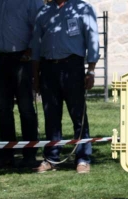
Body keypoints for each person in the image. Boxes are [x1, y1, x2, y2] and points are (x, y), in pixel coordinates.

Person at [30, 0, 99, 174]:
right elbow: (36, 47)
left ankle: (83, 158)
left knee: (78, 114)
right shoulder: (44, 12)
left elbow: (92, 39)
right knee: (51, 115)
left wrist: (90, 70)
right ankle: (52, 158)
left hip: (72, 66)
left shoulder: (83, 8)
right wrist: (36, 76)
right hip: (48, 68)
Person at [0, 0, 43, 169]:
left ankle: (29, 154)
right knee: (3, 109)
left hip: (22, 58)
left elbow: (39, 25)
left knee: (26, 108)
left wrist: (31, 50)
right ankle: (7, 154)